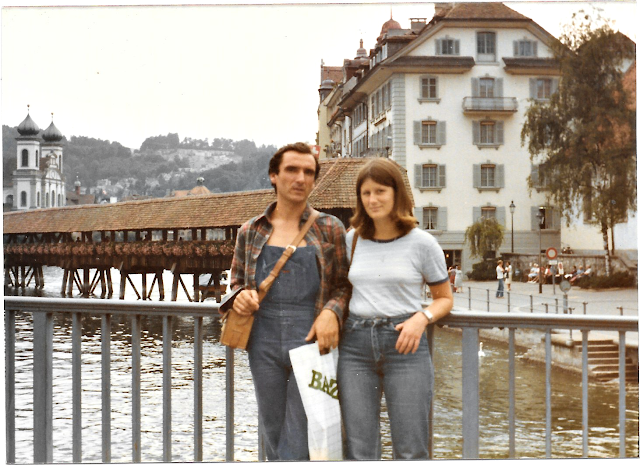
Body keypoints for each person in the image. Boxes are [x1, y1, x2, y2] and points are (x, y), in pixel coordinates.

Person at [229, 142, 350, 460]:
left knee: (303, 430)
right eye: (292, 170)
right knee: (272, 429)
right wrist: (240, 297)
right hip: (262, 342)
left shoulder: (329, 228)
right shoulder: (250, 230)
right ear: (274, 176)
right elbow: (236, 283)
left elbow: (344, 286)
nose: (301, 178)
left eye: (308, 172)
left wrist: (331, 312)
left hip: (312, 340)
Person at [338, 158, 453, 460]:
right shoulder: (353, 240)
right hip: (355, 346)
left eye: (380, 191)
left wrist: (422, 318)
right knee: (359, 448)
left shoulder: (423, 243)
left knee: (411, 448)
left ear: (396, 193)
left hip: (405, 344)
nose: (373, 200)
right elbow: (341, 290)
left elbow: (444, 298)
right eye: (366, 193)